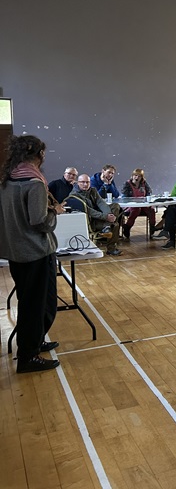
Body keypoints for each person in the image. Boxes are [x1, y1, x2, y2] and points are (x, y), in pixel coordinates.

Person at [0, 135, 63, 373]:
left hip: (17, 252)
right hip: (36, 252)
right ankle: (28, 356)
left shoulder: (7, 179)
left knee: (29, 303)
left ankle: (34, 343)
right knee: (39, 305)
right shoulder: (35, 183)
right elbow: (38, 221)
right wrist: (54, 211)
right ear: (39, 155)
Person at [72, 174, 123, 256]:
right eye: (82, 182)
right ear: (78, 183)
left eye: (87, 182)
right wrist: (106, 217)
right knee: (115, 225)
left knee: (115, 206)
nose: (85, 184)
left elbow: (101, 203)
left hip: (100, 218)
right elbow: (89, 211)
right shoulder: (74, 195)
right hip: (90, 221)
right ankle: (111, 248)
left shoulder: (93, 190)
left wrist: (108, 215)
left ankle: (107, 226)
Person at [120, 168, 156, 240]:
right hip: (131, 206)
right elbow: (125, 197)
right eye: (135, 175)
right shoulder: (127, 184)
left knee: (151, 210)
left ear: (141, 177)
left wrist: (147, 197)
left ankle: (152, 228)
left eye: (139, 176)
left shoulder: (144, 183)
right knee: (136, 209)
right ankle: (128, 227)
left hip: (143, 204)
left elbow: (149, 192)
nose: (136, 177)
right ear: (132, 175)